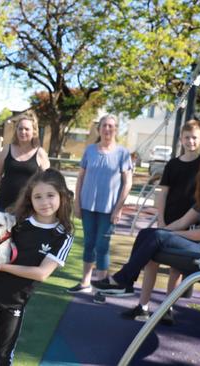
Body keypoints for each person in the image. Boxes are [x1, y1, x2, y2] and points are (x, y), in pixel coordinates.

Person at [93, 149, 200, 324]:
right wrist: (162, 232)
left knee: (158, 236)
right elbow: (182, 222)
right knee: (147, 233)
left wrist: (165, 235)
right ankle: (126, 283)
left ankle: (122, 280)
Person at [0, 169, 74, 366]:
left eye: (50, 195)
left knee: (4, 355)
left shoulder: (62, 235)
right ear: (29, 198)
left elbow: (41, 274)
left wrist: (0, 266)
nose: (44, 202)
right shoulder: (16, 221)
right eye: (38, 197)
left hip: (17, 300)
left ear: (62, 196)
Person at [127, 119, 200, 323]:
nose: (191, 141)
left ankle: (167, 308)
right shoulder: (172, 164)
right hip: (167, 219)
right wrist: (160, 219)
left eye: (194, 137)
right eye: (187, 137)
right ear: (181, 139)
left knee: (175, 268)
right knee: (151, 261)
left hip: (188, 223)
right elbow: (163, 193)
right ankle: (142, 306)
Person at [69, 114, 133, 293]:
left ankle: (102, 285)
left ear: (116, 130)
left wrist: (118, 208)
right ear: (99, 129)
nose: (107, 129)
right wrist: (77, 202)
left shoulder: (123, 153)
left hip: (109, 209)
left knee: (102, 245)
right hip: (87, 206)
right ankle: (85, 283)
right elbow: (81, 177)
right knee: (89, 243)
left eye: (111, 126)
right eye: (104, 125)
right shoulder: (89, 150)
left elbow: (127, 183)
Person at [0, 111, 50, 212]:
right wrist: (7, 189)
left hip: (28, 207)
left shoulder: (40, 153)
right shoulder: (7, 149)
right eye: (20, 129)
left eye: (27, 129)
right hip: (4, 204)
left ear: (34, 131)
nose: (23, 132)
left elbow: (47, 180)